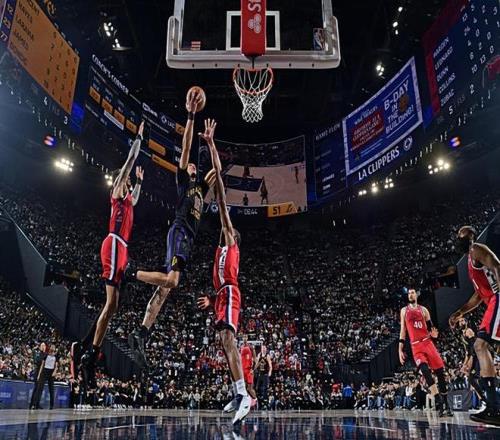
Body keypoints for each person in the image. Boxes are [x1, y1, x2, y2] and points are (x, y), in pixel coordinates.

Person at [128, 91, 215, 365]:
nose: (192, 165)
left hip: (188, 240)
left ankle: (142, 332)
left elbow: (216, 171)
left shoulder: (201, 187)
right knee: (173, 281)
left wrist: (211, 144)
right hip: (179, 231)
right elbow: (186, 148)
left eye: (195, 166)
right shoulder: (184, 182)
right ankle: (131, 272)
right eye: (190, 165)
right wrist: (191, 115)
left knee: (166, 288)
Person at [77, 122, 145, 388]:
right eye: (127, 180)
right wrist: (139, 138)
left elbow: (136, 198)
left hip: (122, 247)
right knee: (110, 303)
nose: (129, 183)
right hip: (114, 244)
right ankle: (89, 354)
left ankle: (89, 350)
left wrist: (140, 182)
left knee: (113, 306)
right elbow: (130, 159)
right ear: (120, 180)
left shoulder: (127, 199)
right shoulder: (117, 191)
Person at [196, 118, 251, 424]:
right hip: (221, 295)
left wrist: (211, 144)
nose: (222, 228)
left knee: (229, 340)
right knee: (223, 342)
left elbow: (220, 194)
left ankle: (245, 396)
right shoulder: (219, 251)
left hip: (230, 293)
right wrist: (211, 299)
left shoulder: (230, 240)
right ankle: (237, 392)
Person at [449, 226, 500, 425]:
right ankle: (494, 406)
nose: (461, 240)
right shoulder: (471, 264)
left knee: (480, 345)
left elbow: (497, 265)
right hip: (491, 301)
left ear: (471, 238)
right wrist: (460, 312)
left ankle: (494, 407)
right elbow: (478, 295)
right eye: (459, 237)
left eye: (464, 237)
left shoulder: (477, 249)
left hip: (497, 299)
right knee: (484, 347)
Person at [398, 288, 453, 417]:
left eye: (412, 292)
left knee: (440, 373)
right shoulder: (404, 311)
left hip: (427, 343)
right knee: (425, 371)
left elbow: (431, 328)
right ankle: (439, 402)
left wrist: (434, 335)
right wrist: (400, 349)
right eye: (409, 293)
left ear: (416, 295)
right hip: (416, 346)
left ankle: (446, 405)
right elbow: (403, 330)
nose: (410, 295)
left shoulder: (424, 310)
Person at [32, 344, 58, 409]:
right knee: (39, 388)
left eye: (54, 347)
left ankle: (51, 405)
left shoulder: (56, 356)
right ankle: (35, 404)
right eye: (52, 347)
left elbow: (56, 366)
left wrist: (54, 372)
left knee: (51, 389)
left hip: (51, 373)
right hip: (44, 371)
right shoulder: (46, 355)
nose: (52, 348)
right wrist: (39, 375)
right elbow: (42, 365)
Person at [240, 336, 257, 404]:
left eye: (245, 337)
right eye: (243, 337)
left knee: (250, 389)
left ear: (247, 338)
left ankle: (255, 400)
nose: (244, 338)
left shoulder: (250, 347)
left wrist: (253, 369)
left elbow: (255, 359)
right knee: (243, 388)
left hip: (249, 370)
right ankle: (246, 402)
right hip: (242, 370)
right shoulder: (241, 347)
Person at [29, 342, 47, 409]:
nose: (43, 347)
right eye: (42, 345)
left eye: (44, 345)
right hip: (37, 372)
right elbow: (37, 361)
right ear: (40, 347)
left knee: (40, 390)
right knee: (36, 389)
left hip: (43, 374)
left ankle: (37, 403)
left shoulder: (46, 354)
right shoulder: (38, 354)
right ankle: (33, 404)